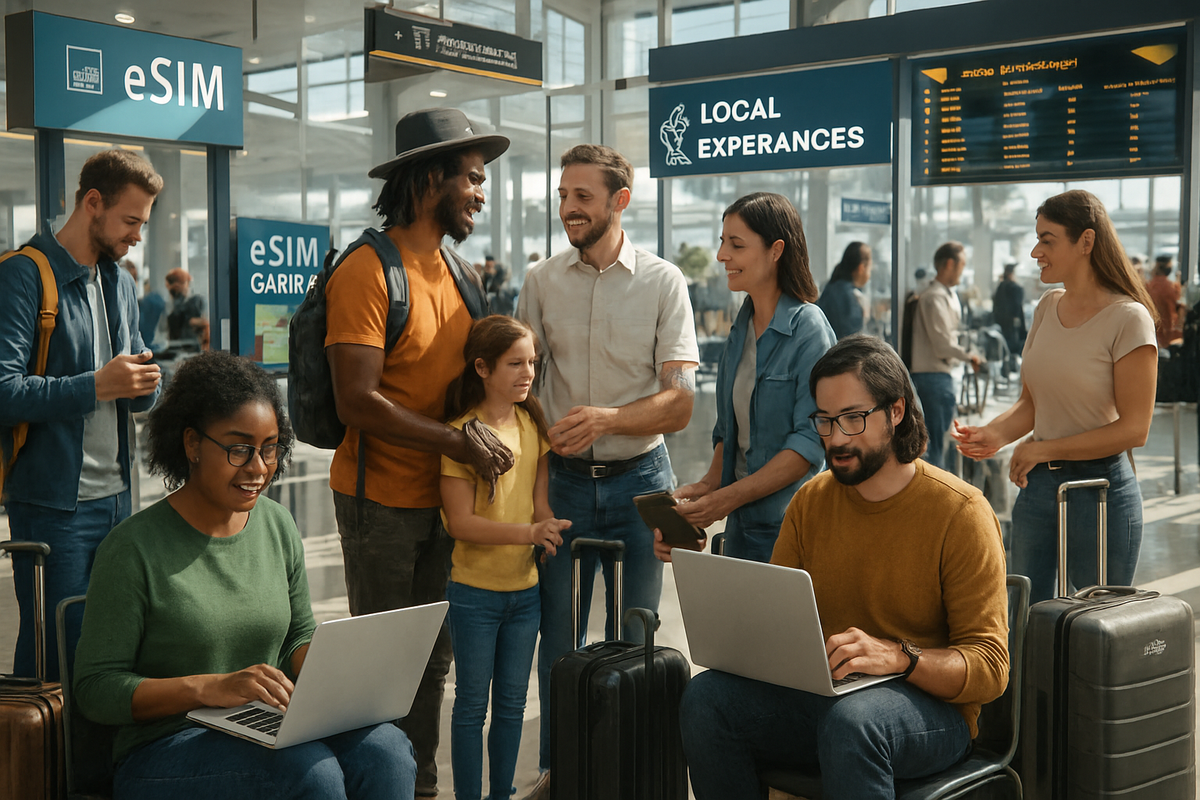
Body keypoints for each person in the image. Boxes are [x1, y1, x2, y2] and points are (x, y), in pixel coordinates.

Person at [657, 334, 1008, 798]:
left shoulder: (961, 511)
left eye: (854, 419)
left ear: (896, 412)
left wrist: (901, 658)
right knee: (706, 699)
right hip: (832, 699)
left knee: (852, 723)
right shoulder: (812, 501)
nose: (837, 438)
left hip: (932, 714)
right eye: (825, 421)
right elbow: (776, 624)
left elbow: (990, 668)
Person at [72, 351, 417, 799]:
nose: (258, 467)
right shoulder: (132, 549)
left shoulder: (277, 525)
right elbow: (96, 689)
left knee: (386, 750)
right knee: (308, 773)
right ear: (192, 444)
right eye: (239, 449)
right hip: (163, 749)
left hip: (265, 726)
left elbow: (296, 634)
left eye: (270, 447)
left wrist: (336, 678)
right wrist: (211, 688)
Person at [324, 107, 514, 799]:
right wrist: (456, 441)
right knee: (380, 670)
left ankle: (419, 789)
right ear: (431, 177)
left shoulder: (462, 275)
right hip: (377, 505)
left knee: (434, 661)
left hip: (443, 506)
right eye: (471, 177)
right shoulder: (367, 270)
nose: (481, 192)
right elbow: (357, 401)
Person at [516, 143, 699, 797]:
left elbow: (680, 404)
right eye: (563, 195)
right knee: (558, 641)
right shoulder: (539, 281)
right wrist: (549, 419)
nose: (568, 207)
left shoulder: (662, 282)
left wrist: (606, 419)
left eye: (582, 197)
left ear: (619, 201)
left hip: (642, 479)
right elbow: (521, 380)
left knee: (638, 636)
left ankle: (631, 768)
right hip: (563, 481)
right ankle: (560, 771)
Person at [0, 148, 163, 681]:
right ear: (92, 202)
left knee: (108, 645)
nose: (138, 235)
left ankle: (90, 765)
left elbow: (130, 390)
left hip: (118, 498)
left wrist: (144, 386)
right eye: (131, 220)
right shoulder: (23, 276)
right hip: (52, 504)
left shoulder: (120, 282)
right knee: (54, 652)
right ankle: (34, 762)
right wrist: (97, 385)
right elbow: (4, 390)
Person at [954, 190, 1158, 603]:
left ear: (1086, 241)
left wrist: (1041, 449)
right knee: (1023, 617)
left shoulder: (1128, 318)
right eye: (1036, 239)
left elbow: (1135, 430)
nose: (1035, 251)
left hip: (1100, 490)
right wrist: (993, 435)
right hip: (1040, 486)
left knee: (1096, 629)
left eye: (1047, 240)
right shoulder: (1047, 306)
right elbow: (1033, 403)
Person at [440, 315, 572, 800]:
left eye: (532, 362)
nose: (528, 372)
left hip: (524, 594)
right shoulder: (459, 435)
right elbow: (460, 523)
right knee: (472, 706)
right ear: (482, 367)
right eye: (515, 363)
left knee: (513, 705)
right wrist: (529, 533)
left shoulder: (531, 424)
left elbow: (539, 503)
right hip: (474, 594)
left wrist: (548, 527)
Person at [672, 193, 836, 562]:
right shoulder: (740, 329)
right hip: (743, 524)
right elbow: (727, 433)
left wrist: (725, 499)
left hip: (790, 526)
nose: (721, 256)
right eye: (722, 242)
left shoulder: (809, 329)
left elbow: (809, 444)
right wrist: (706, 487)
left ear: (776, 250)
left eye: (737, 244)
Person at [909, 241, 983, 472]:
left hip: (940, 377)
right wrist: (968, 356)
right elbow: (942, 344)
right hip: (932, 378)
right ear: (950, 264)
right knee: (935, 447)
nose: (963, 269)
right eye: (962, 264)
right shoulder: (934, 297)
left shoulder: (945, 295)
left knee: (941, 443)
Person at [816, 242, 872, 339]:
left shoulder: (834, 287)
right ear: (861, 268)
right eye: (870, 269)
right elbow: (852, 338)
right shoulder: (847, 296)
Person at [1146, 254, 1186, 348]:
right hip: (1170, 332)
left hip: (1152, 331)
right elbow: (1180, 307)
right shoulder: (1173, 287)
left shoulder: (1148, 286)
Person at [165, 268, 209, 350]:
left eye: (175, 287)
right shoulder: (175, 303)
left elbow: (202, 322)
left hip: (191, 346)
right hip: (177, 345)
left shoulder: (196, 301)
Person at [991, 262, 1026, 359]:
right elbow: (1018, 308)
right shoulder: (1017, 288)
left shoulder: (1000, 287)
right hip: (1012, 326)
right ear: (1012, 274)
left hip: (1000, 323)